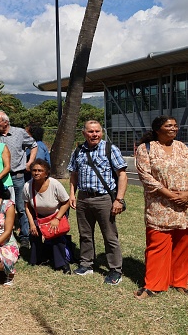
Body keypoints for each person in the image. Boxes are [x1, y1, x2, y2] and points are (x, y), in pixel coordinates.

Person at [134, 116, 188, 299]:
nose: (174, 128)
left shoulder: (182, 147)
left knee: (183, 245)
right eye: (169, 126)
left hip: (184, 205)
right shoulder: (146, 149)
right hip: (159, 206)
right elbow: (146, 177)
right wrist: (171, 195)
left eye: (175, 125)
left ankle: (180, 281)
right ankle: (154, 285)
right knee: (157, 245)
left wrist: (186, 195)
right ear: (158, 129)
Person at [67, 120, 128, 285]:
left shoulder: (110, 149)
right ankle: (86, 264)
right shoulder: (78, 150)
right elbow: (73, 173)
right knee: (85, 234)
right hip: (84, 198)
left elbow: (122, 175)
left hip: (104, 199)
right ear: (84, 133)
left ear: (101, 132)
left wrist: (119, 200)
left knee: (109, 236)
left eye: (97, 131)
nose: (94, 134)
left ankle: (115, 270)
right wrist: (72, 194)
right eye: (91, 131)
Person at [0, 110, 37, 249]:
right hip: (1, 178)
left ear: (5, 122)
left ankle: (24, 237)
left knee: (21, 207)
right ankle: (3, 235)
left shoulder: (19, 132)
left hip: (17, 176)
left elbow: (34, 145)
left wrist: (29, 163)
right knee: (0, 207)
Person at [23, 159, 71, 274]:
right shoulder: (27, 186)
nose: (36, 173)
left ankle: (62, 263)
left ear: (46, 173)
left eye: (40, 170)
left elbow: (66, 202)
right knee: (34, 233)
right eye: (34, 170)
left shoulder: (55, 184)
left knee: (55, 235)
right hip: (38, 215)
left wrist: (57, 219)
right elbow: (27, 207)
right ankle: (37, 259)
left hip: (55, 214)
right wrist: (31, 223)